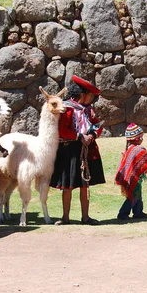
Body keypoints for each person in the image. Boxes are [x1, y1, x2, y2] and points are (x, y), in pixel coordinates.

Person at [50, 75, 105, 225]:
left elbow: (97, 125)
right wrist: (80, 136)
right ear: (82, 94)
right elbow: (62, 130)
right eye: (90, 95)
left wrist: (91, 135)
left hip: (87, 149)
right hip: (70, 150)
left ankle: (85, 217)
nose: (92, 98)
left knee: (85, 184)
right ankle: (65, 217)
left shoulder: (88, 110)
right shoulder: (66, 109)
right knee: (68, 186)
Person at [115, 124, 147, 220]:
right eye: (141, 137)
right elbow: (146, 158)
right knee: (134, 195)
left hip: (131, 177)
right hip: (133, 178)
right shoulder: (138, 149)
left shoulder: (129, 149)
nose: (142, 139)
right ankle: (123, 213)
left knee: (138, 194)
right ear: (137, 138)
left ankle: (138, 212)